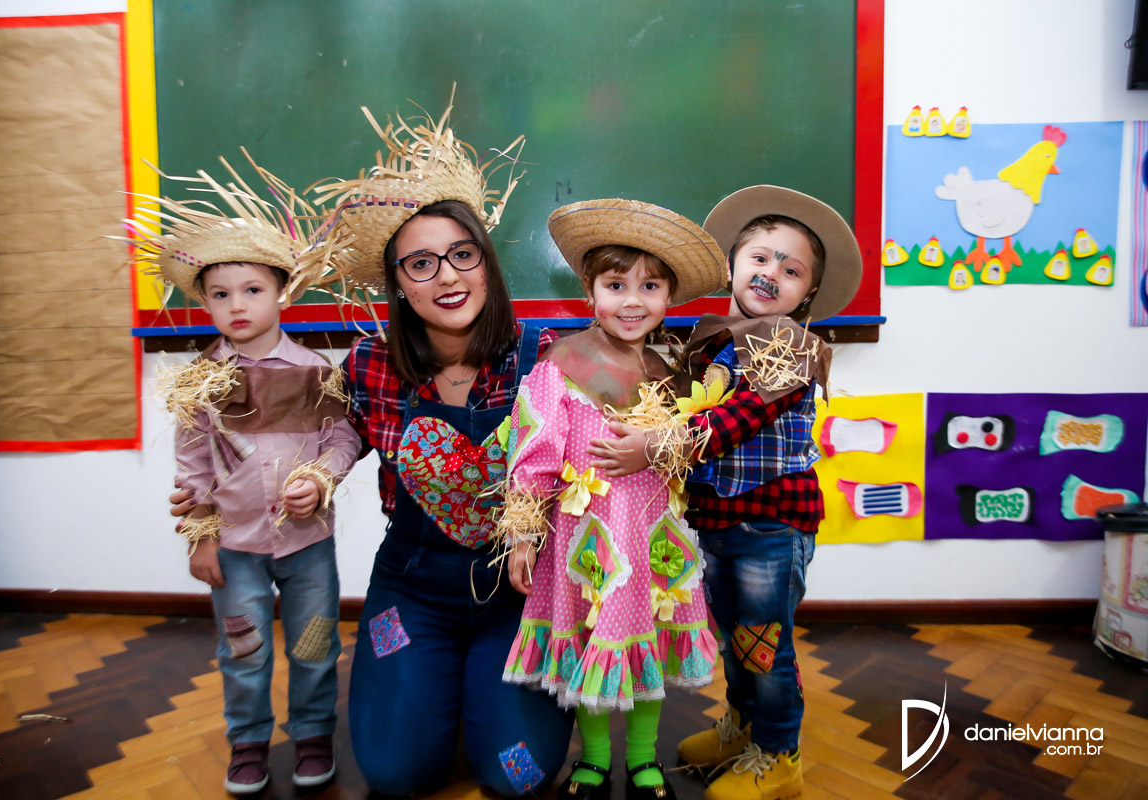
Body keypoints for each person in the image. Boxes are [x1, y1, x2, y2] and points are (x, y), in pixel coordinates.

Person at [314, 102, 574, 796]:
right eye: (421, 264)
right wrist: (223, 493)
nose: (448, 277)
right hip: (413, 588)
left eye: (463, 255)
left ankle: (477, 694)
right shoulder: (369, 365)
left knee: (518, 776)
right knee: (396, 773)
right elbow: (324, 438)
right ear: (398, 283)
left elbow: (586, 458)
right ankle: (437, 690)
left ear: (486, 263)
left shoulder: (542, 359)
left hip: (520, 590)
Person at [593, 186, 861, 800]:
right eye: (760, 258)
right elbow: (679, 401)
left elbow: (737, 418)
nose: (771, 274)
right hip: (718, 524)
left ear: (807, 294)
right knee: (737, 640)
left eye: (791, 270)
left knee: (767, 646)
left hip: (771, 527)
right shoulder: (712, 340)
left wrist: (655, 446)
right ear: (733, 265)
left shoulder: (791, 345)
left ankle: (780, 756)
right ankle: (744, 730)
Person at [135, 157, 362, 794]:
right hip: (234, 547)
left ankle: (312, 733)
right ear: (203, 300)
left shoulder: (316, 371)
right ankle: (249, 741)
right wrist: (200, 539)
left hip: (308, 544)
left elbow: (343, 438)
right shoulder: (200, 380)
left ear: (282, 292)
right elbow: (192, 466)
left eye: (253, 290)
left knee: (314, 644)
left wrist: (322, 479)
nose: (236, 304)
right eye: (220, 293)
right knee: (243, 648)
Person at [500, 199, 725, 800]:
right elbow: (533, 451)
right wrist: (523, 534)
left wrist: (663, 449)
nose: (632, 301)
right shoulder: (562, 364)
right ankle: (596, 758)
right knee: (591, 641)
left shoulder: (670, 373)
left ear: (669, 297)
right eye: (616, 284)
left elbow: (688, 452)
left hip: (651, 539)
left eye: (650, 287)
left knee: (643, 641)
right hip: (587, 544)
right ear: (589, 290)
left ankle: (644, 758)